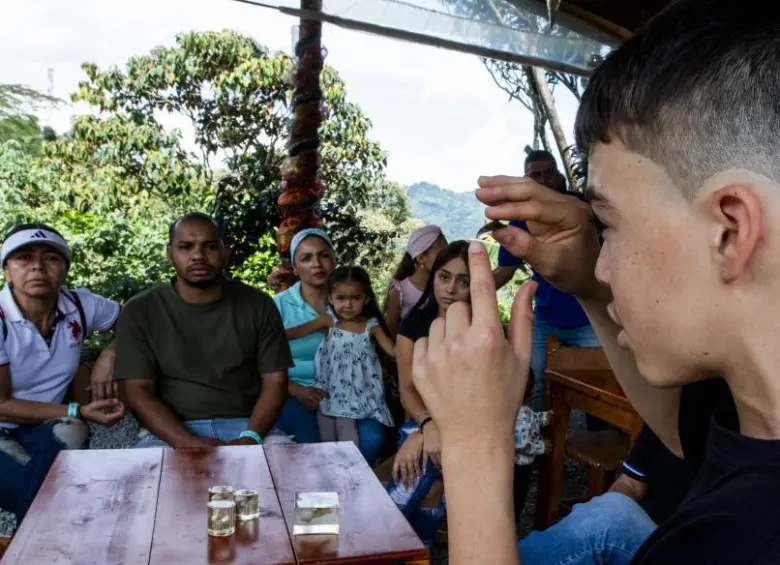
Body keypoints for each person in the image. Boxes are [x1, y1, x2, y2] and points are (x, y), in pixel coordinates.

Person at [411, 1, 780, 563]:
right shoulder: (752, 413)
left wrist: (473, 445)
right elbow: (689, 442)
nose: (604, 265)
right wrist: (586, 284)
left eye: (608, 225)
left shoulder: (737, 540)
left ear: (729, 230)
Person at [115, 213, 291, 448]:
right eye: (185, 247)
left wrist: (251, 437)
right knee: (152, 479)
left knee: (285, 473)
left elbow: (275, 382)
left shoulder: (258, 304)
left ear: (226, 253)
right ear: (170, 254)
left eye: (210, 246)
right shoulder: (140, 309)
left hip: (248, 425)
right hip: (169, 432)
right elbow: (137, 391)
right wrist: (186, 441)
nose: (198, 256)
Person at [0, 223, 125, 523]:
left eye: (51, 258)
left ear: (65, 269)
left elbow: (138, 321)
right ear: (6, 270)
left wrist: (110, 354)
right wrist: (78, 409)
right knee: (43, 492)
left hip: (42, 424)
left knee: (69, 437)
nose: (38, 267)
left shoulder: (79, 304)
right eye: (24, 258)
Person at [494, 150, 599, 412]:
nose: (542, 180)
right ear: (527, 179)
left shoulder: (580, 208)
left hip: (588, 318)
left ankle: (600, 443)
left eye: (547, 172)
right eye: (535, 175)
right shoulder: (520, 220)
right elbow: (506, 269)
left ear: (558, 175)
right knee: (539, 385)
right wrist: (469, 289)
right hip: (546, 318)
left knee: (598, 389)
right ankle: (543, 447)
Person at [273, 229, 387, 458]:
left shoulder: (351, 301)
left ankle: (355, 489)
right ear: (295, 267)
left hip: (351, 392)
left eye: (323, 255)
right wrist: (296, 390)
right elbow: (258, 358)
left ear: (334, 260)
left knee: (371, 440)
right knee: (314, 445)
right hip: (297, 392)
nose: (316, 264)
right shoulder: (279, 306)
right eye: (306, 258)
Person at [388, 240, 471, 546]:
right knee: (427, 485)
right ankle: (399, 546)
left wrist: (431, 433)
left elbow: (475, 399)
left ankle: (385, 541)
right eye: (444, 277)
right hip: (420, 423)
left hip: (463, 428)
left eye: (463, 281)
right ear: (433, 276)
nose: (450, 289)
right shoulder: (413, 323)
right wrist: (425, 428)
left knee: (421, 484)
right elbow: (407, 389)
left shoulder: (481, 332)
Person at [519, 425, 692, 565]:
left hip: (688, 545)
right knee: (601, 515)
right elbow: (630, 484)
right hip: (641, 539)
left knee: (607, 524)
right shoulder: (675, 413)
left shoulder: (717, 443)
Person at [313, 266, 395, 462]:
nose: (348, 304)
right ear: (331, 298)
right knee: (326, 441)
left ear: (366, 299)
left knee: (350, 443)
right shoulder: (328, 321)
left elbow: (394, 351)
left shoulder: (371, 326)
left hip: (358, 395)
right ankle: (332, 480)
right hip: (329, 392)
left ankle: (352, 478)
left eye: (355, 298)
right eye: (341, 298)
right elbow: (294, 332)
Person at [384, 225, 447, 337]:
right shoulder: (401, 290)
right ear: (421, 257)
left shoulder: (445, 287)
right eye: (441, 253)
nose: (446, 258)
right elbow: (390, 325)